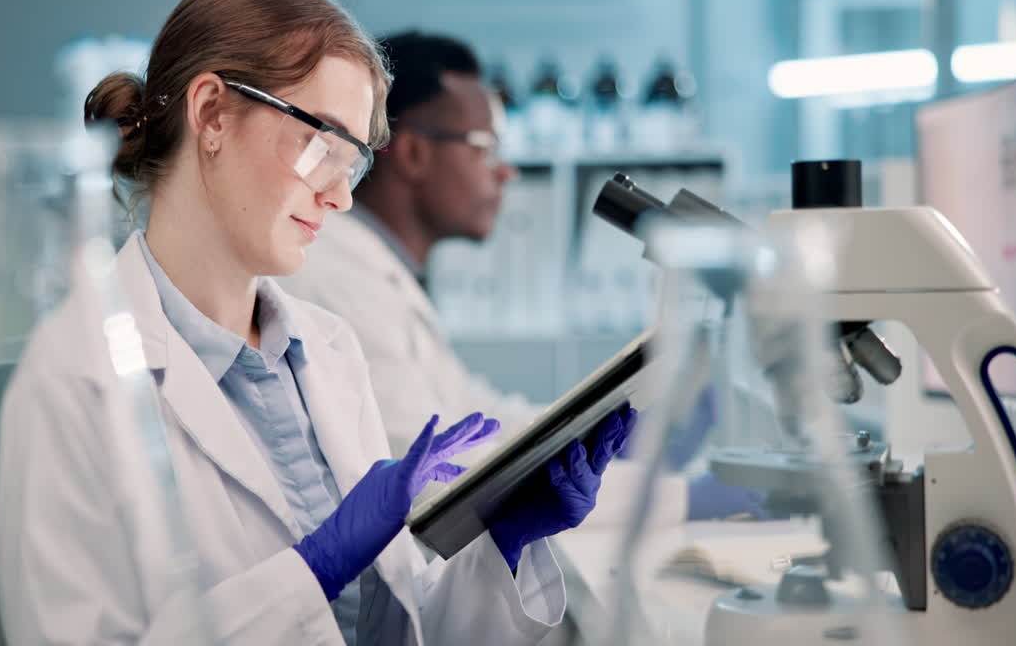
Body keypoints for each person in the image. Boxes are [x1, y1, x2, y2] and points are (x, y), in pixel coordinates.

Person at [0, 0, 636, 645]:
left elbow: (402, 625)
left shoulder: (327, 350)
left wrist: (503, 543)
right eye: (320, 141)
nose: (341, 195)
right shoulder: (73, 381)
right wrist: (315, 569)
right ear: (212, 113)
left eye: (351, 160)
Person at [280, 31, 767, 523]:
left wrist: (601, 437)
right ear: (413, 156)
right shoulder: (339, 280)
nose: (506, 172)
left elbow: (475, 421)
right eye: (485, 147)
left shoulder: (381, 273)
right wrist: (675, 498)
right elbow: (432, 468)